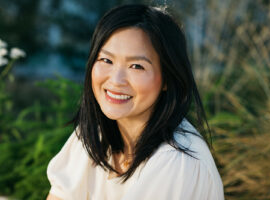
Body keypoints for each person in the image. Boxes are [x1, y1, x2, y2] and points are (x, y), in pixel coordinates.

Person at [46, 4, 224, 200]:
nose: (116, 80)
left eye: (136, 66)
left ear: (167, 79)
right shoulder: (95, 135)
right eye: (106, 60)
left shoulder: (177, 160)